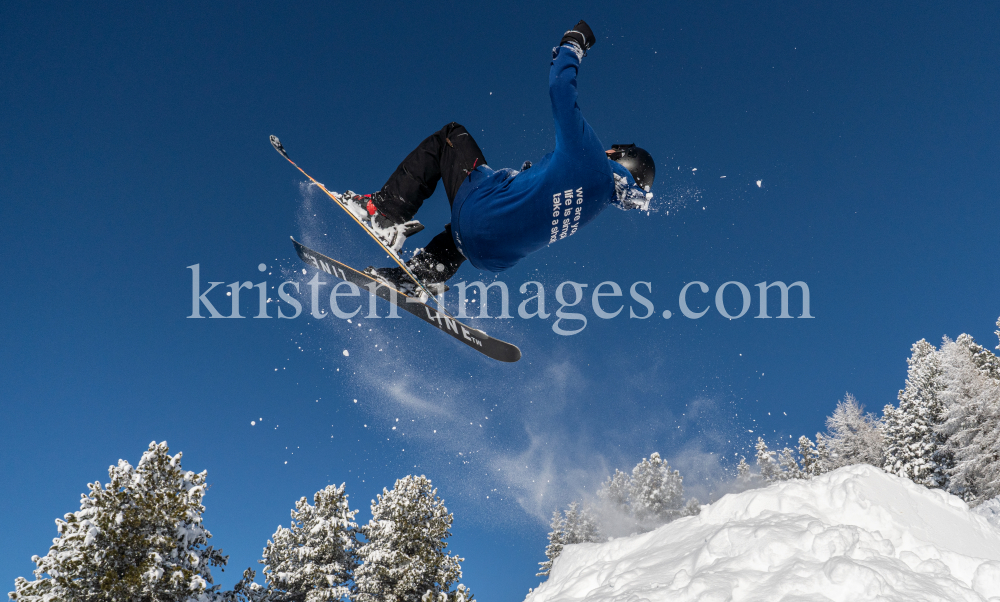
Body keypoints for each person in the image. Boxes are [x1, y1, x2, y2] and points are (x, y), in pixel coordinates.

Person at [343, 20, 655, 293]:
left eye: (613, 149)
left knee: (450, 136)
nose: (607, 149)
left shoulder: (592, 162)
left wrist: (573, 43)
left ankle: (381, 213)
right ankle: (424, 274)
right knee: (483, 217)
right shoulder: (599, 203)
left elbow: (561, 89)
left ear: (621, 156)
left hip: (481, 212)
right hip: (490, 256)